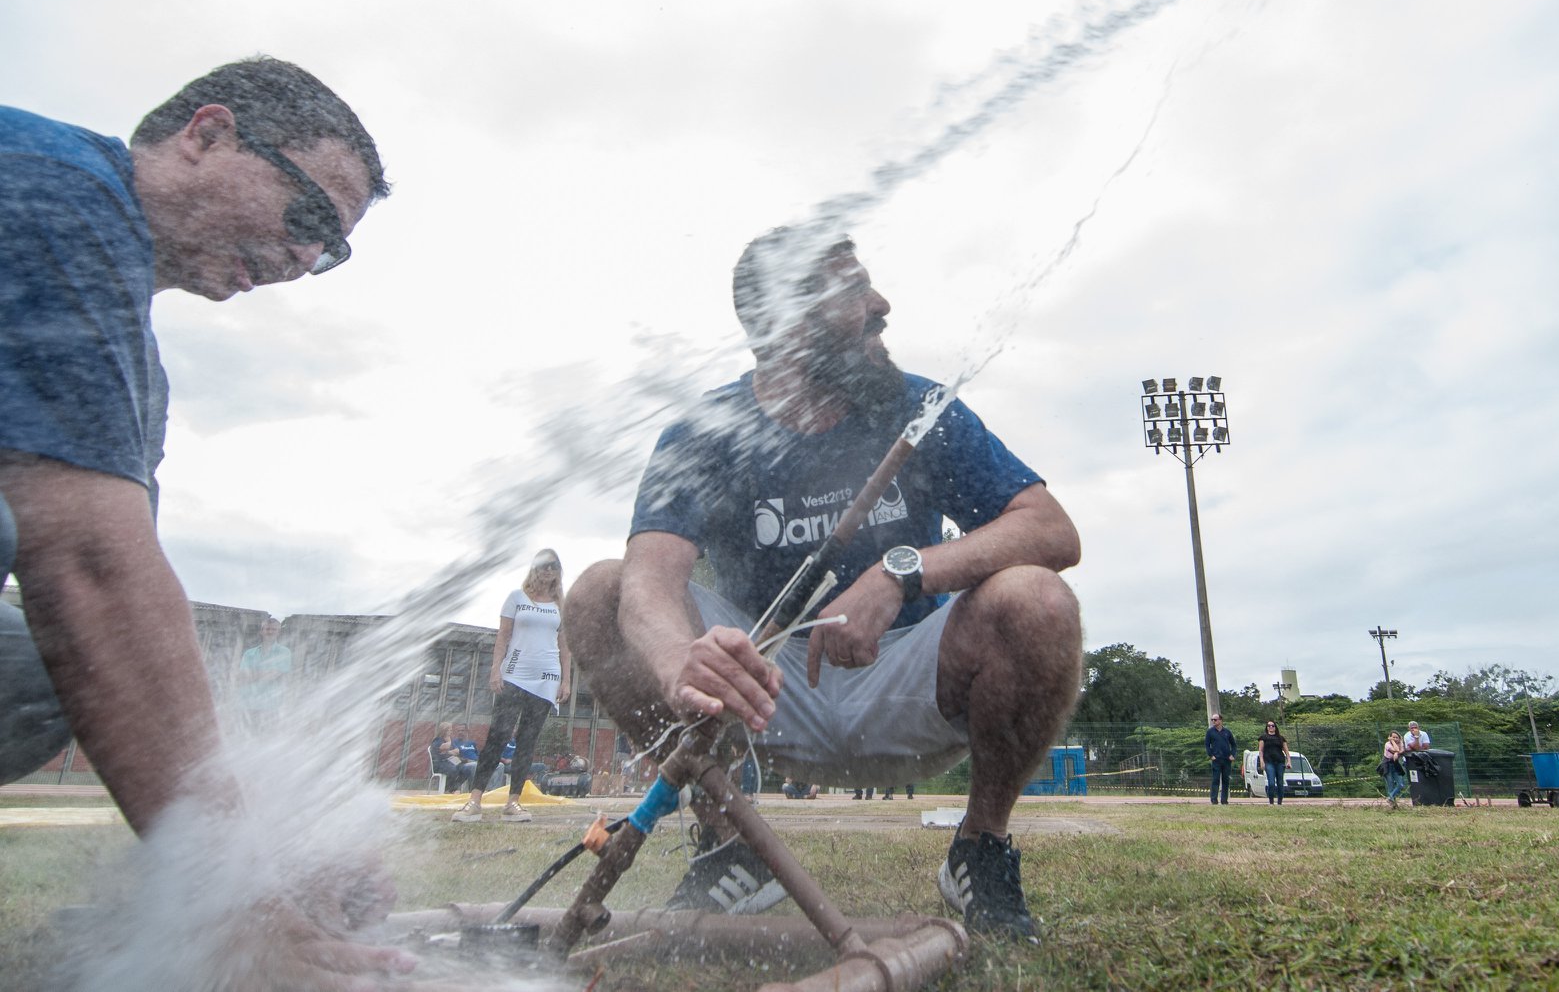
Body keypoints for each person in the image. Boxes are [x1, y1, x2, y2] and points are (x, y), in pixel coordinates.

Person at [0, 59, 403, 983]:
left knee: (30, 674)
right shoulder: (53, 191)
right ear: (207, 134)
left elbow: (118, 635)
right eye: (308, 219)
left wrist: (273, 850)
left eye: (330, 251)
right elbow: (91, 573)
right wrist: (231, 902)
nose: (306, 261)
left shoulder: (133, 364)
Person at [567, 225, 1083, 940]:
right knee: (599, 590)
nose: (880, 303)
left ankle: (980, 846)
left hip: (908, 678)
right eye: (851, 290)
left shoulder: (917, 404)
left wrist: (902, 571)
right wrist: (677, 660)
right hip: (761, 693)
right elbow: (651, 577)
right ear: (783, 325)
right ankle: (728, 843)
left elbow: (1051, 529)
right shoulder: (705, 430)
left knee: (1036, 598)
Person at [454, 548, 571, 823]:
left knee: (527, 741)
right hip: (516, 674)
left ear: (558, 571)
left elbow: (565, 645)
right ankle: (474, 800)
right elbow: (503, 637)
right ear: (534, 568)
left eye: (554, 566)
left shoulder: (560, 606)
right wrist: (496, 669)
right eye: (544, 566)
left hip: (545, 678)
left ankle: (513, 802)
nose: (548, 571)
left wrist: (566, 679)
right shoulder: (516, 598)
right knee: (498, 736)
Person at [234, 615, 294, 731]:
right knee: (244, 737)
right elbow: (242, 676)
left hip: (270, 705)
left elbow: (274, 675)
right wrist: (265, 674)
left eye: (273, 629)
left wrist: (253, 675)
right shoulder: (249, 653)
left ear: (279, 632)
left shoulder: (284, 652)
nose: (270, 631)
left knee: (266, 738)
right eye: (267, 629)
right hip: (247, 704)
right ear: (261, 631)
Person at [430, 726, 477, 792]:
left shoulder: (451, 741)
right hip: (439, 763)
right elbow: (442, 748)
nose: (451, 732)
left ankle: (453, 788)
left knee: (466, 770)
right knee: (453, 770)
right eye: (450, 730)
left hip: (450, 761)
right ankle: (446, 788)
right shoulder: (438, 740)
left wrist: (448, 751)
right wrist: (449, 743)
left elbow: (457, 751)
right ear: (444, 731)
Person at [1205, 713, 1237, 805]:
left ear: (1220, 720)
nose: (1213, 721)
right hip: (1216, 759)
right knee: (1215, 779)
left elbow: (1234, 745)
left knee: (1225, 780)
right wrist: (1211, 755)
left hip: (1226, 759)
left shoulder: (1227, 732)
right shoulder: (1210, 732)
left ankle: (1224, 799)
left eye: (1215, 720)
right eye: (1212, 720)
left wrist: (1232, 754)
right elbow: (1207, 744)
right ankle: (1214, 799)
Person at [1256, 718, 1289, 806]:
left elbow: (1286, 750)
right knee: (1271, 782)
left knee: (1280, 782)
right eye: (1269, 726)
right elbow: (1261, 750)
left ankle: (1279, 802)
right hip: (1269, 762)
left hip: (1280, 762)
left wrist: (1289, 761)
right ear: (1266, 728)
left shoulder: (1281, 738)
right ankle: (1271, 802)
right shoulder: (1263, 738)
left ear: (1275, 727)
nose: (1271, 727)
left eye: (1272, 726)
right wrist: (1262, 761)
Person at [1380, 730, 1407, 808]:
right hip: (1387, 764)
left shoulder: (1401, 743)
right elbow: (1396, 750)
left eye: (1397, 737)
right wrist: (1394, 744)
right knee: (1390, 784)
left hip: (1395, 765)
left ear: (1399, 738)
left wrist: (1396, 753)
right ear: (1390, 738)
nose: (1395, 739)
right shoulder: (1387, 744)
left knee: (1400, 784)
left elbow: (1401, 751)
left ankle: (1390, 797)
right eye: (1393, 737)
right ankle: (1393, 805)